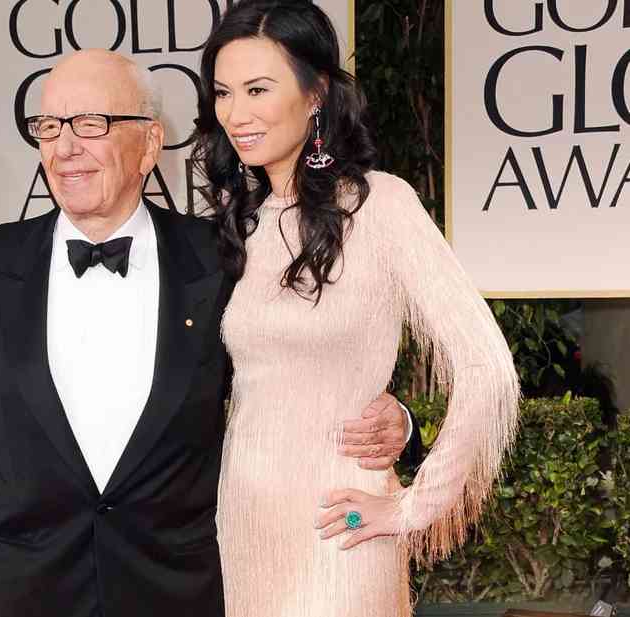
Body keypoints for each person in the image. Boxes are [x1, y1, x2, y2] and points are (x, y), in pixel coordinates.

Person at [0, 49, 418, 617]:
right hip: (26, 590)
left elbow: (293, 379)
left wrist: (397, 421)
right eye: (50, 126)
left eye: (90, 123)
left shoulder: (222, 257)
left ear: (149, 143)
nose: (65, 147)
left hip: (177, 587)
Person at [191, 2, 520, 616]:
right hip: (245, 525)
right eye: (224, 93)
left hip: (340, 527)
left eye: (258, 89)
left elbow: (488, 369)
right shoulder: (239, 226)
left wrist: (415, 507)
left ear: (315, 94)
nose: (236, 114)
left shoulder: (382, 206)